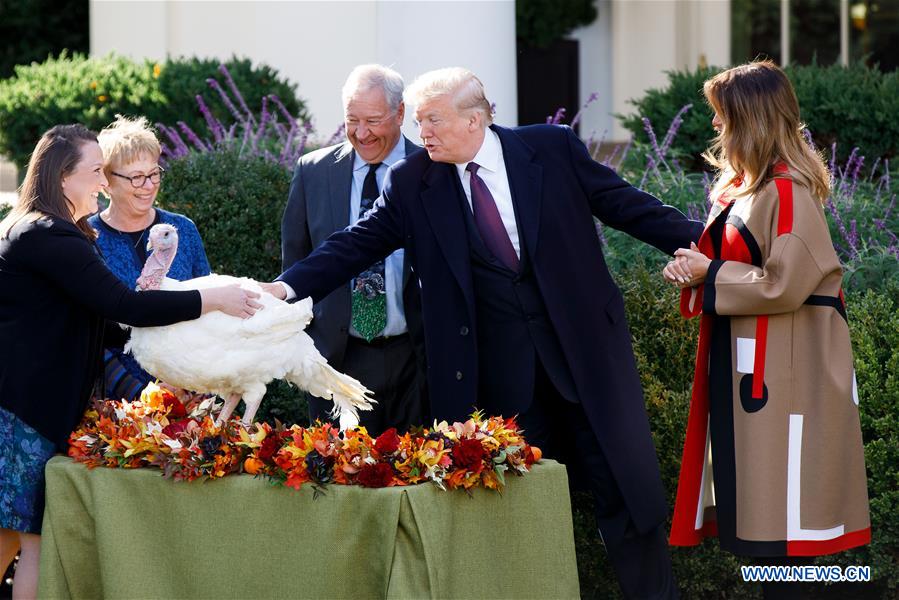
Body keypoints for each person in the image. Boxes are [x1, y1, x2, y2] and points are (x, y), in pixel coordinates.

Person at [264, 67, 703, 599]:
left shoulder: (551, 149)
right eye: (419, 120)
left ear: (475, 119)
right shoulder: (414, 181)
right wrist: (283, 291)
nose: (421, 133)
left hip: (583, 358)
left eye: (432, 120)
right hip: (500, 379)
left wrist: (711, 244)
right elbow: (353, 244)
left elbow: (627, 206)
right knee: (520, 509)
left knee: (625, 494)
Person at [0, 124, 261, 599]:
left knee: (10, 541)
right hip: (23, 415)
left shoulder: (39, 230)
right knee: (34, 545)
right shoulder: (51, 235)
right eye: (97, 172)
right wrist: (214, 298)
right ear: (63, 177)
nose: (103, 183)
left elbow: (107, 321)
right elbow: (125, 309)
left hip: (24, 409)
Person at [663, 61, 870, 599]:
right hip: (756, 368)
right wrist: (694, 267)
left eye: (722, 116)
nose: (716, 128)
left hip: (785, 376)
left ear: (749, 118)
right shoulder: (749, 188)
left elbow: (784, 285)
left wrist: (711, 272)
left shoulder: (787, 191)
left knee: (786, 526)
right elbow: (741, 268)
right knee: (770, 525)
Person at [281, 65, 427, 435]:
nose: (362, 134)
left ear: (399, 114)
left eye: (373, 121)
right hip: (338, 361)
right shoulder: (312, 172)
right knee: (342, 482)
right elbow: (297, 261)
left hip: (417, 358)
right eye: (352, 120)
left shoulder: (431, 171)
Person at [88, 115, 212, 401]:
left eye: (154, 173)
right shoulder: (87, 238)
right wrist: (142, 393)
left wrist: (194, 384)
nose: (148, 185)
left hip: (189, 392)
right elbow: (89, 335)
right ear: (106, 182)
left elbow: (207, 309)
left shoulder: (183, 230)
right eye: (136, 177)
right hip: (118, 402)